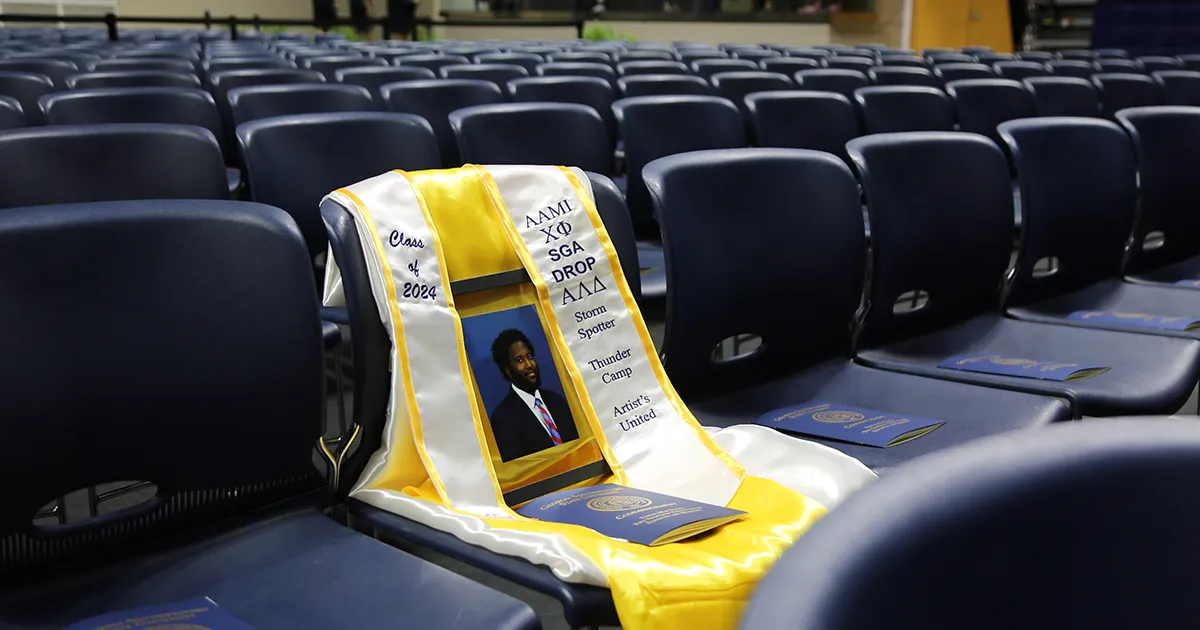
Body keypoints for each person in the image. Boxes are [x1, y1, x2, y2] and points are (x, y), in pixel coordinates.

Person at [488, 328, 579, 461]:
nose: (529, 364)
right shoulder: (503, 419)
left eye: (530, 357)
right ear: (507, 370)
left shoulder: (557, 401)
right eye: (519, 360)